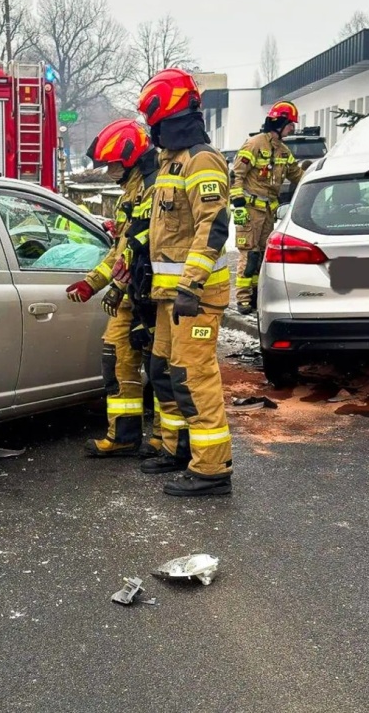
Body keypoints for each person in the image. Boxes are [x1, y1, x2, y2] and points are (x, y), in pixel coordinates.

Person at [136, 68, 234, 497]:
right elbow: (164, 227)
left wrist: (191, 284)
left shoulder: (201, 160)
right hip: (168, 296)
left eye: (153, 121)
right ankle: (177, 449)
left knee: (194, 377)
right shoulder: (169, 160)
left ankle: (212, 470)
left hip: (195, 296)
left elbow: (213, 226)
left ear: (168, 114)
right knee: (165, 372)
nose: (150, 129)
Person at [66, 119, 163, 459]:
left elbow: (145, 251)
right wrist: (92, 283)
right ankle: (123, 436)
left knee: (159, 370)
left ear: (132, 157)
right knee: (116, 360)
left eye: (113, 164)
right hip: (129, 296)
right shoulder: (131, 192)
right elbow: (120, 251)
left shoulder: (156, 188)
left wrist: (118, 287)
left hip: (151, 296)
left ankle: (163, 440)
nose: (109, 171)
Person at [229, 102, 305, 313]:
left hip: (269, 212)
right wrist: (238, 204)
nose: (292, 129)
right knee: (249, 253)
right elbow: (237, 175)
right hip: (250, 211)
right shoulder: (254, 144)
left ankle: (254, 295)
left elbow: (296, 175)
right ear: (280, 122)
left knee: (262, 254)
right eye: (290, 125)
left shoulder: (283, 151)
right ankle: (243, 299)